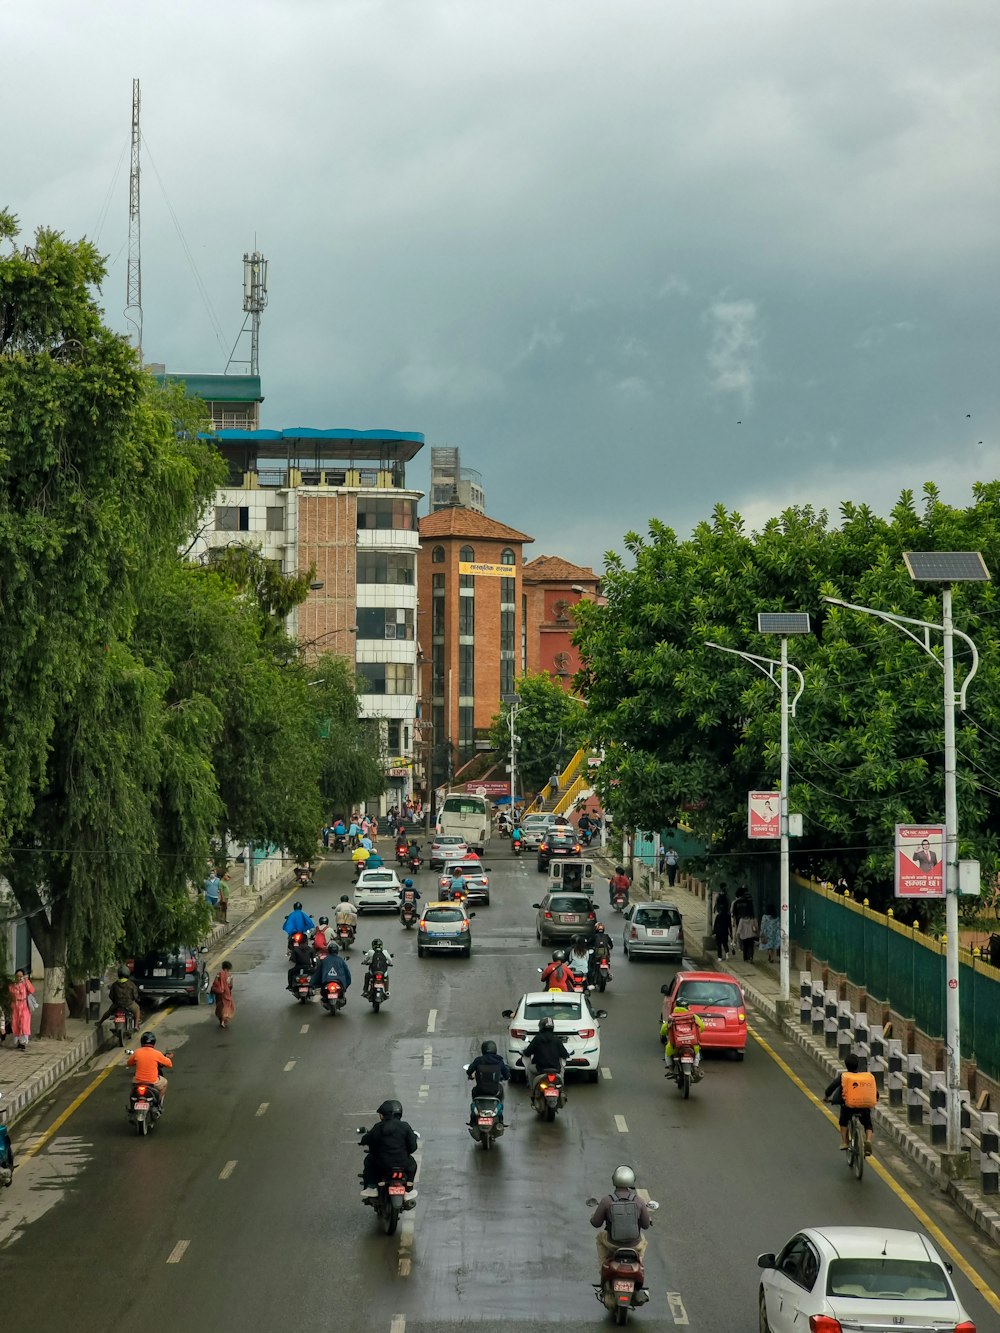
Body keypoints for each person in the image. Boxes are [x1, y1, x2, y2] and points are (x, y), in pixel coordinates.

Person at [590, 1166, 652, 1273]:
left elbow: (596, 1223)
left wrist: (593, 1217)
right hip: (634, 1245)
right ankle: (639, 1264)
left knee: (600, 1238)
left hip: (612, 1244)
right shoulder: (639, 1201)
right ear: (632, 1181)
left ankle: (603, 1268)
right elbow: (646, 1225)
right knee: (643, 1241)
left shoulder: (606, 1201)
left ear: (614, 1180)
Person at [360, 1099, 419, 1198]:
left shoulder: (378, 1127)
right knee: (413, 1164)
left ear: (383, 1115)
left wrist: (363, 1142)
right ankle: (408, 1188)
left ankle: (372, 1187)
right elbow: (413, 1147)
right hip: (403, 1163)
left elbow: (367, 1139)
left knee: (368, 1161)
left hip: (382, 1164)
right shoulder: (405, 1126)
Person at [824, 1052, 877, 1155]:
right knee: (868, 1124)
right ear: (858, 1065)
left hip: (848, 1107)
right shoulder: (866, 1077)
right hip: (864, 1106)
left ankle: (844, 1142)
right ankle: (868, 1140)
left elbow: (831, 1088)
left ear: (846, 1065)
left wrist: (826, 1096)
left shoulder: (844, 1076)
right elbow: (875, 1092)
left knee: (843, 1121)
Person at [522, 1016, 570, 1094]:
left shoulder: (537, 1039)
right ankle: (561, 1090)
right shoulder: (557, 1040)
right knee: (562, 1070)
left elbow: (527, 1053)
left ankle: (532, 1089)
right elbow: (564, 1054)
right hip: (555, 1069)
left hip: (540, 1068)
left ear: (541, 1027)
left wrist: (525, 1052)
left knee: (529, 1069)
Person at [466, 1039, 511, 1124]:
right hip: (495, 1092)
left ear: (483, 1050)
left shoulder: (478, 1060)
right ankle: (500, 1118)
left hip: (480, 1091)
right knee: (501, 1093)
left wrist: (470, 1075)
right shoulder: (499, 1061)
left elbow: (469, 1071)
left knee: (473, 1094)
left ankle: (473, 1118)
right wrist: (506, 1076)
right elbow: (507, 1075)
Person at [660, 1001, 706, 1075]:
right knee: (697, 1053)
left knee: (667, 1053)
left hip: (675, 1046)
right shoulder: (694, 1017)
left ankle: (671, 1069)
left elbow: (663, 1030)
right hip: (692, 1044)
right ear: (687, 1007)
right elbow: (702, 1027)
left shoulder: (672, 1017)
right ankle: (695, 1067)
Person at [127, 1031, 172, 1104]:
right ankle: (159, 1104)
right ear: (153, 1043)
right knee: (165, 1083)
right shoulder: (157, 1053)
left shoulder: (137, 1052)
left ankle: (132, 1105)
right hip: (153, 1082)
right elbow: (169, 1064)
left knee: (133, 1089)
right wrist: (167, 1058)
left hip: (138, 1081)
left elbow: (129, 1063)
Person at [99, 967, 142, 1032]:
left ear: (118, 974)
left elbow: (111, 996)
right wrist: (136, 999)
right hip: (129, 1004)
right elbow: (135, 995)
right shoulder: (131, 984)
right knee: (137, 1009)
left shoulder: (114, 984)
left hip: (117, 1004)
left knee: (109, 1012)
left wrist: (115, 1001)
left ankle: (100, 1022)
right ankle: (136, 1026)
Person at [7, 970, 35, 1051]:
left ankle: (23, 1043)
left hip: (24, 1006)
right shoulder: (12, 986)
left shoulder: (25, 984)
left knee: (24, 1023)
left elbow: (32, 990)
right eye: (17, 976)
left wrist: (26, 981)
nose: (19, 978)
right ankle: (18, 1042)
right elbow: (10, 996)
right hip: (15, 1006)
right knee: (16, 1023)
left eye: (20, 976)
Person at [211, 960, 236, 1029]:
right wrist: (227, 988)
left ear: (222, 967)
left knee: (220, 1006)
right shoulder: (230, 976)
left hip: (219, 993)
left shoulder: (219, 974)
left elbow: (215, 982)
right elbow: (231, 985)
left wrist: (218, 988)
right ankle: (223, 1020)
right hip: (226, 993)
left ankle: (220, 1020)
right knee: (226, 1006)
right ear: (229, 968)